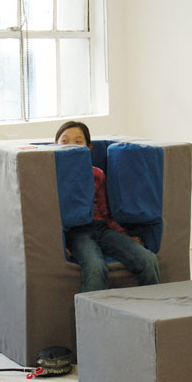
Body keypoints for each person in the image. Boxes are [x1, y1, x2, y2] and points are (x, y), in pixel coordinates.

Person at [55, 121, 160, 292]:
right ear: (56, 146)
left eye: (78, 141)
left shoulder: (97, 174)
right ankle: (92, 316)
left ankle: (154, 310)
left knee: (148, 259)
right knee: (95, 267)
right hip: (78, 233)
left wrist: (125, 235)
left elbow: (106, 212)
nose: (71, 146)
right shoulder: (54, 176)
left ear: (88, 148)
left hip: (102, 228)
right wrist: (60, 243)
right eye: (65, 141)